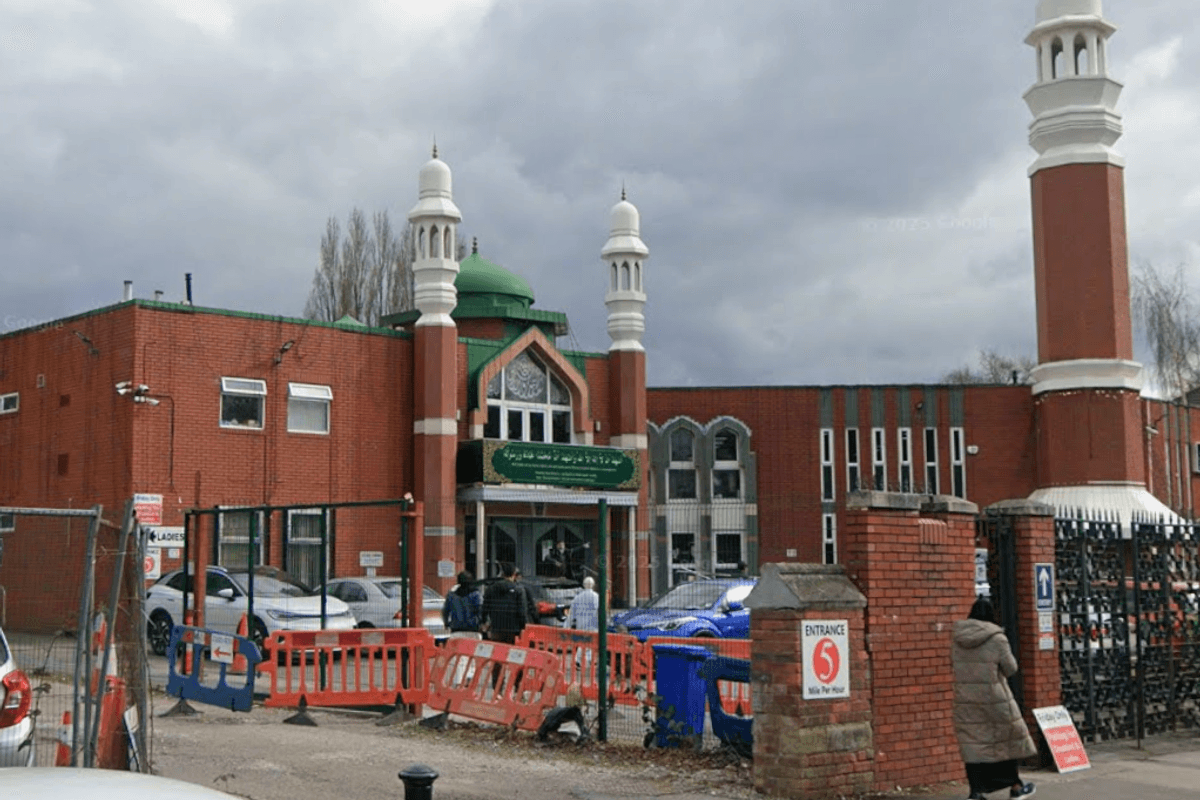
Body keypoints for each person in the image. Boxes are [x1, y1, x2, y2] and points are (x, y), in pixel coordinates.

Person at [951, 597, 1037, 800]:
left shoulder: (957, 638)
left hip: (966, 699)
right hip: (995, 699)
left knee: (973, 744)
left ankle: (976, 791)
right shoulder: (997, 638)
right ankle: (1015, 786)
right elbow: (1011, 668)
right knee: (1004, 743)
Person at [481, 563, 527, 644]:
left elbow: (484, 609)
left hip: (496, 628)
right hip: (514, 630)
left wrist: (485, 623)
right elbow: (522, 611)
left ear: (502, 574)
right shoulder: (519, 590)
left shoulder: (490, 589)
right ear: (514, 574)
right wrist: (523, 627)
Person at [442, 571, 482, 639]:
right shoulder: (476, 595)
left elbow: (445, 612)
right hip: (473, 630)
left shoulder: (451, 596)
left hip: (456, 630)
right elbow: (480, 611)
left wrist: (447, 624)